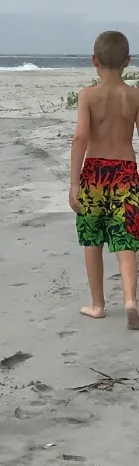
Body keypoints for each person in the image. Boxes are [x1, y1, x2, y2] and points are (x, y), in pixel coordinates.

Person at [69, 30, 139, 328]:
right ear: (128, 61)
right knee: (126, 238)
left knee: (92, 239)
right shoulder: (135, 95)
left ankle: (98, 304)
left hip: (94, 173)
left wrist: (74, 183)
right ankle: (130, 300)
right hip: (125, 171)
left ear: (93, 60)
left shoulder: (88, 95)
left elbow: (80, 137)